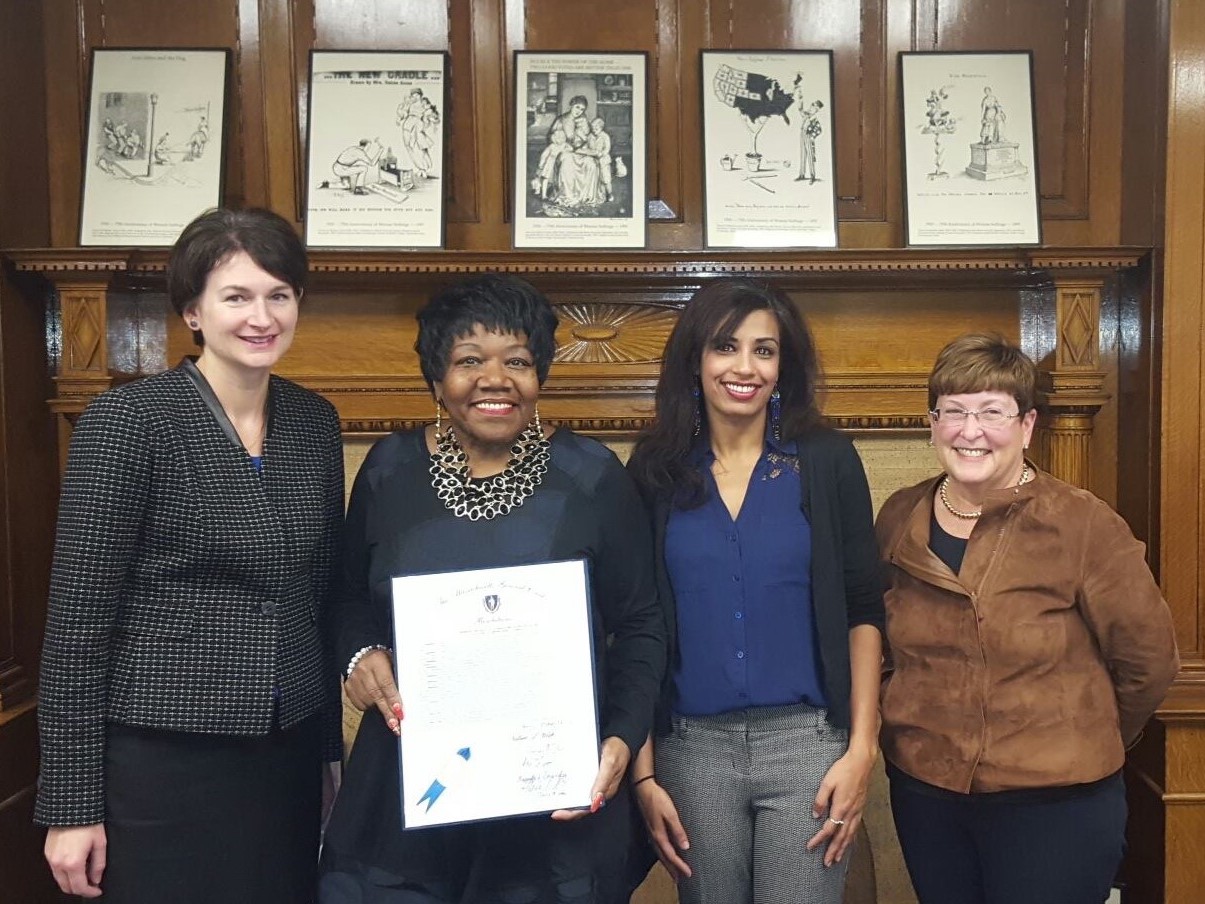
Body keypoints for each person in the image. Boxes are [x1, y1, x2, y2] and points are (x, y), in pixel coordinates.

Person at [319, 273, 666, 903]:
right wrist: (360, 655)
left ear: (541, 376)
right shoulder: (389, 471)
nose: (495, 379)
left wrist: (621, 736)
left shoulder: (592, 477)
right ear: (436, 379)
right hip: (407, 792)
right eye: (469, 361)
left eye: (518, 361)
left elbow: (641, 622)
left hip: (549, 802)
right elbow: (346, 598)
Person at [37, 207, 345, 902]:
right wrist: (71, 805)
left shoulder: (314, 422)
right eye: (236, 297)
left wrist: (329, 752)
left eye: (279, 295)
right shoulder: (129, 422)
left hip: (287, 753)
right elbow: (77, 626)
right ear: (193, 312)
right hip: (162, 760)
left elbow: (319, 599)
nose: (261, 317)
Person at [875, 333, 1180, 904]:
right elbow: (881, 642)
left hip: (1057, 802)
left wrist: (1088, 734)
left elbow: (1148, 661)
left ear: (1027, 425)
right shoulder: (899, 516)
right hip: (927, 792)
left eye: (992, 412)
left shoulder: (1082, 523)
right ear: (932, 423)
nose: (970, 431)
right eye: (953, 412)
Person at [625, 278, 885, 904]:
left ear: (782, 366)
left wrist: (861, 750)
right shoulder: (655, 470)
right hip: (692, 748)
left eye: (763, 350)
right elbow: (634, 626)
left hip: (808, 744)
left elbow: (863, 609)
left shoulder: (825, 460)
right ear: (695, 359)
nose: (745, 367)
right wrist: (643, 775)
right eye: (726, 347)